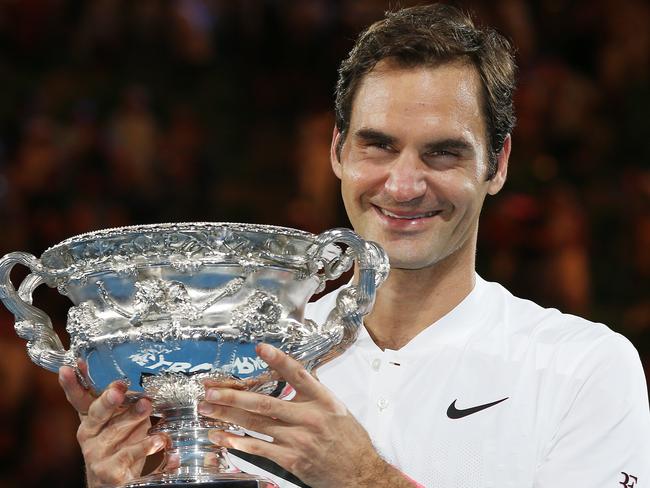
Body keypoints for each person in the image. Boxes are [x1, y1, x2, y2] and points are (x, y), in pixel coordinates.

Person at [59, 4, 650, 487]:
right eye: (378, 146)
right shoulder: (236, 364)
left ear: (497, 165)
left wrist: (363, 480)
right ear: (337, 151)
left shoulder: (583, 368)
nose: (404, 185)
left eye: (443, 152)